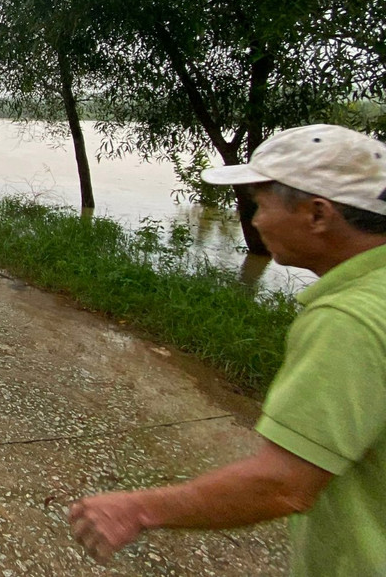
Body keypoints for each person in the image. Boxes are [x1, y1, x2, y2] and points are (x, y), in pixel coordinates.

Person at [68, 124, 386, 575]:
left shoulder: (350, 320)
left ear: (318, 214)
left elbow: (283, 484)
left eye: (260, 205)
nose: (254, 221)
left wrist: (138, 509)